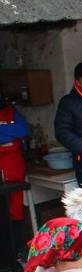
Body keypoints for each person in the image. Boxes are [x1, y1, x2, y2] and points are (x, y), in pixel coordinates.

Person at [0, 100, 30, 260]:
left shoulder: (12, 112)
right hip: (2, 168)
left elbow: (23, 130)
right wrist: (9, 133)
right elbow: (16, 132)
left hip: (15, 168)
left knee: (16, 210)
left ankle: (19, 249)